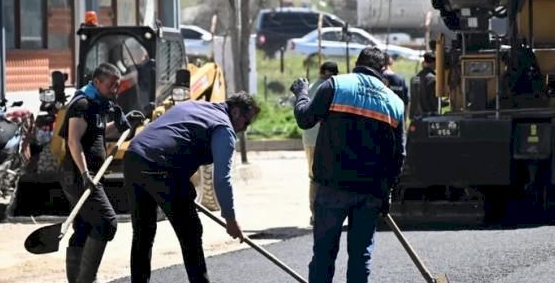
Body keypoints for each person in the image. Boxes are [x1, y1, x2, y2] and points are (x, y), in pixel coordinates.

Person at [292, 47, 405, 283]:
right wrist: (387, 193)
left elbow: (305, 119)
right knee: (360, 257)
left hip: (332, 187)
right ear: (383, 69)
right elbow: (398, 155)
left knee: (324, 254)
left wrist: (301, 93)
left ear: (357, 63)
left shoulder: (335, 86)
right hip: (370, 193)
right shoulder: (395, 102)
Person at [124, 92, 260, 283]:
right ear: (236, 112)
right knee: (191, 231)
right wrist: (230, 218)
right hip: (161, 166)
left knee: (143, 232)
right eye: (246, 123)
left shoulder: (196, 106)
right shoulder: (223, 128)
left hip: (133, 157)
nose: (244, 129)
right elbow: (221, 179)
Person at [60, 63, 128, 283]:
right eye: (111, 85)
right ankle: (86, 280)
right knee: (107, 222)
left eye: (117, 86)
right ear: (97, 82)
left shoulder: (98, 104)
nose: (115, 90)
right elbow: (73, 140)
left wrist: (121, 124)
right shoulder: (82, 103)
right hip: (79, 176)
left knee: (84, 227)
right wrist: (85, 173)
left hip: (86, 175)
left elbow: (97, 131)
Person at [304, 61, 340, 226]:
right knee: (317, 177)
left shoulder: (311, 87)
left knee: (315, 176)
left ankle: (317, 213)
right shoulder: (330, 89)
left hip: (311, 138)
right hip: (320, 138)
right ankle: (317, 213)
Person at [409, 51, 438, 118]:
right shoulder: (433, 78)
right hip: (430, 116)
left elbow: (413, 98)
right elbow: (433, 99)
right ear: (434, 63)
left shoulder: (414, 78)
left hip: (416, 116)